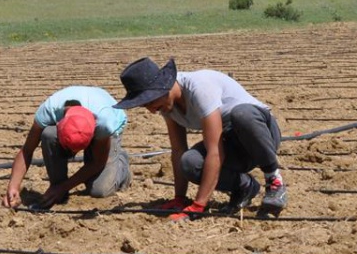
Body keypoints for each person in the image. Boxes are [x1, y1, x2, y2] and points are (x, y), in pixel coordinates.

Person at [114, 56, 287, 220]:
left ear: (162, 88)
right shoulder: (167, 106)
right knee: (189, 162)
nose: (152, 110)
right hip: (232, 143)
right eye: (146, 105)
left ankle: (274, 180)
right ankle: (244, 186)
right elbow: (178, 150)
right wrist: (179, 198)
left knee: (242, 114)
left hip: (262, 137)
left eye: (150, 102)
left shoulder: (199, 88)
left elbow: (215, 151)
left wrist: (199, 205)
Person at [1, 85, 131, 209]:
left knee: (100, 190)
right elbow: (27, 151)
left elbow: (98, 163)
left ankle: (121, 163)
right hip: (76, 118)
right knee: (48, 135)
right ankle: (56, 186)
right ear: (59, 125)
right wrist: (14, 185)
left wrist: (63, 187)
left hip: (107, 124)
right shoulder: (49, 111)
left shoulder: (104, 123)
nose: (73, 153)